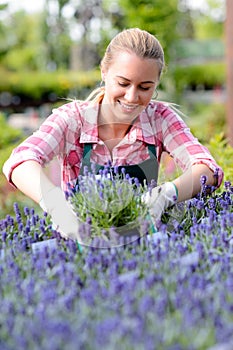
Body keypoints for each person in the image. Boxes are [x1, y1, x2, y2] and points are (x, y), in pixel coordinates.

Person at [3, 28, 223, 241]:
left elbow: (207, 169)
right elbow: (21, 161)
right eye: (123, 83)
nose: (131, 97)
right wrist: (56, 205)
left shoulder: (160, 119)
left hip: (141, 242)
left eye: (145, 87)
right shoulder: (73, 120)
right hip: (81, 243)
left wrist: (166, 194)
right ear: (104, 71)